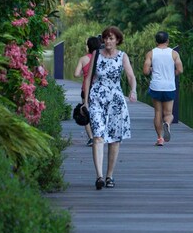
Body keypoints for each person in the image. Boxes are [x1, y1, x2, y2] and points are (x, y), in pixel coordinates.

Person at [83, 26, 137, 190]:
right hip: (97, 99)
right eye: (105, 38)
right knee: (97, 136)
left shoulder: (122, 56)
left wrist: (133, 90)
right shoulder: (96, 55)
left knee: (114, 139)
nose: (108, 41)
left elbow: (130, 76)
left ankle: (109, 175)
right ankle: (99, 176)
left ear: (118, 40)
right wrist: (85, 101)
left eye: (111, 38)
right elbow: (88, 79)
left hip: (116, 101)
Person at [143, 31, 183, 147]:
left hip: (156, 86)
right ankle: (167, 124)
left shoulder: (151, 53)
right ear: (167, 41)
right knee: (169, 114)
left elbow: (145, 71)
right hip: (169, 86)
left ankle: (160, 138)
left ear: (156, 41)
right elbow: (180, 70)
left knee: (157, 113)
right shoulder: (174, 53)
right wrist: (172, 73)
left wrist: (151, 70)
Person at [73, 36, 102, 146]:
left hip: (86, 89)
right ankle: (99, 135)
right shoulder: (101, 58)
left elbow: (76, 74)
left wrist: (83, 73)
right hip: (99, 89)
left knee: (86, 111)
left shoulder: (83, 59)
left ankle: (91, 138)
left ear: (88, 47)